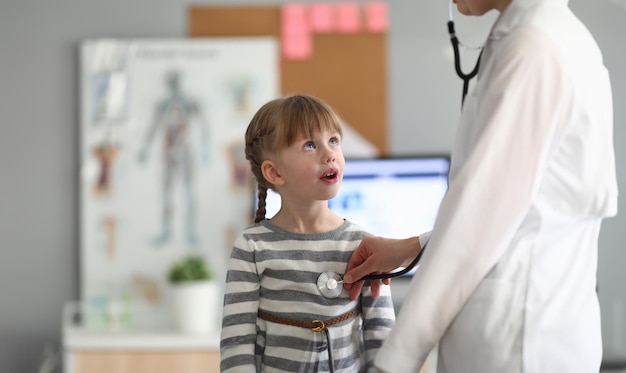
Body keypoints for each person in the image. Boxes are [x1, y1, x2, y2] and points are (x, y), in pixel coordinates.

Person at [343, 0, 618, 372]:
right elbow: (520, 206)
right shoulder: (553, 37)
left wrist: (395, 360)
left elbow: (481, 213)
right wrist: (414, 248)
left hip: (519, 338)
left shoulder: (533, 48)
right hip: (537, 325)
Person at [220, 94, 396, 372]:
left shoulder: (362, 245)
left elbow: (382, 335)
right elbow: (237, 343)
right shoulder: (252, 246)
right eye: (310, 145)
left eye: (334, 141)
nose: (329, 154)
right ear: (274, 172)